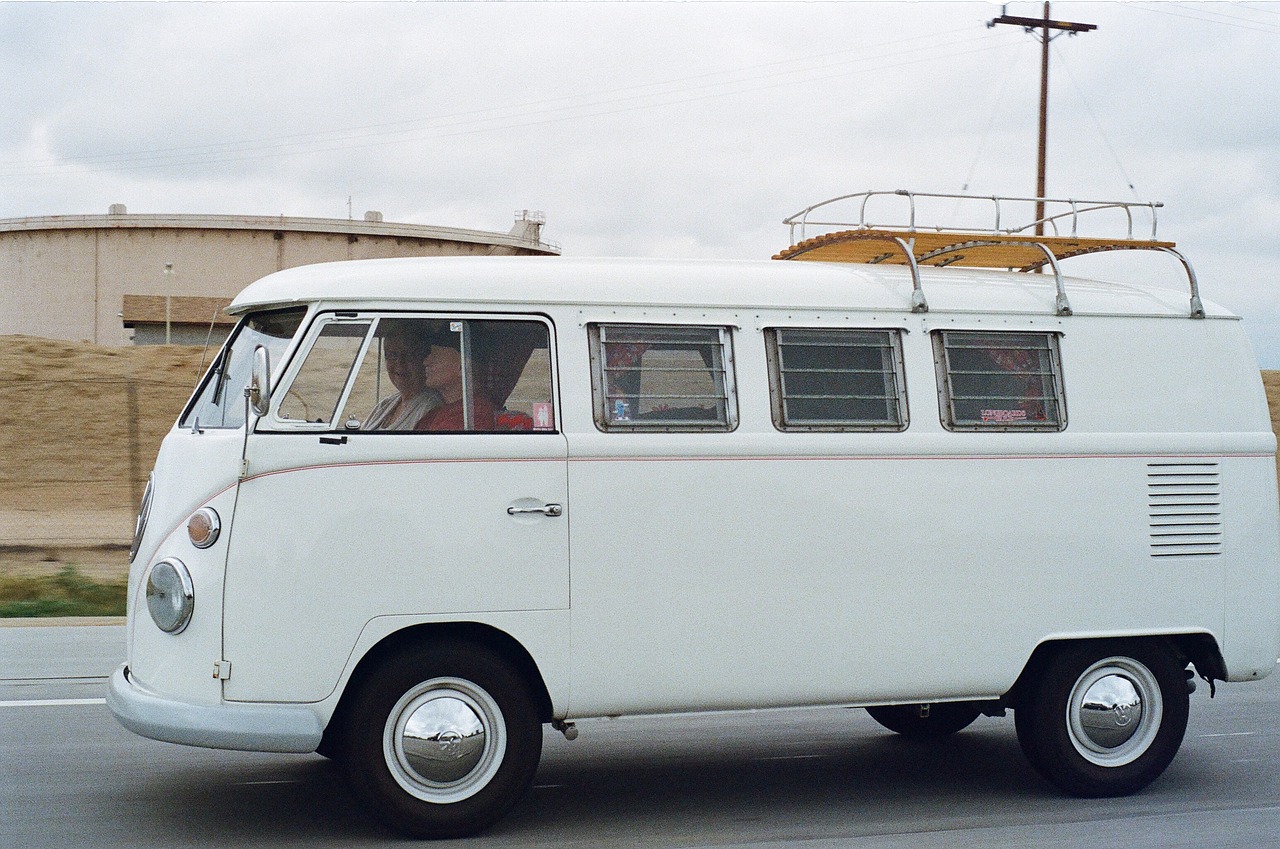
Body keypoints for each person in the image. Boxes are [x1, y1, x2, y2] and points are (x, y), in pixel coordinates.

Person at [414, 326, 497, 431]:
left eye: (435, 356)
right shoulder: (437, 413)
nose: (425, 362)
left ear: (462, 366)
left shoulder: (473, 416)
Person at [362, 323, 442, 430]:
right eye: (392, 355)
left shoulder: (430, 407)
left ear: (425, 359)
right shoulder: (386, 404)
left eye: (409, 355)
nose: (400, 363)